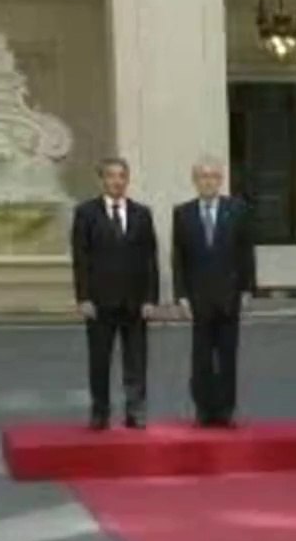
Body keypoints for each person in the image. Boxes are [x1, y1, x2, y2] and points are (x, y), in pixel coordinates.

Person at [70, 157, 160, 430]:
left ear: (127, 179)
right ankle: (100, 411)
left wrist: (150, 298)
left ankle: (136, 410)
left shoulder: (142, 213)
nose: (117, 181)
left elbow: (150, 259)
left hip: (135, 301)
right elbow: (81, 258)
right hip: (99, 301)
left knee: (136, 360)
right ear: (102, 180)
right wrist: (83, 297)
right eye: (111, 176)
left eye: (122, 176)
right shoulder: (86, 213)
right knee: (100, 360)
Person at [171, 156, 256, 428]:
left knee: (228, 356)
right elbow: (178, 257)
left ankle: (226, 410)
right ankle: (204, 409)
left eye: (213, 176)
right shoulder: (183, 213)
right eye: (203, 176)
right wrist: (181, 295)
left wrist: (247, 289)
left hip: (229, 295)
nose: (208, 181)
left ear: (220, 180)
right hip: (199, 297)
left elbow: (246, 252)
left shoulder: (238, 210)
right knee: (202, 357)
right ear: (195, 181)